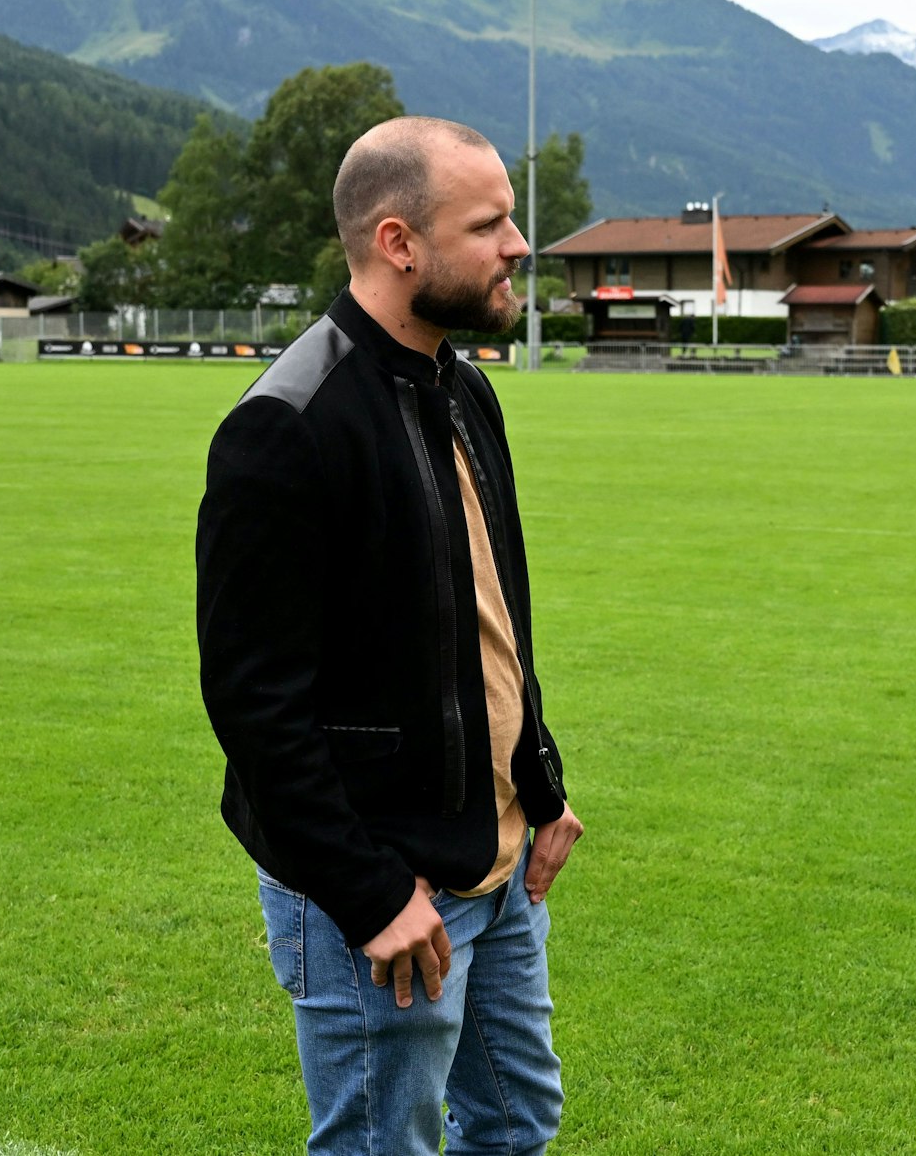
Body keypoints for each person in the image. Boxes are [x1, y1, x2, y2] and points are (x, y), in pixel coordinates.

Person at [196, 116, 584, 1156]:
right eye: (490, 222)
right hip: (380, 889)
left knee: (514, 1120)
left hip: (493, 861)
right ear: (398, 241)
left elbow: (489, 619)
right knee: (382, 1144)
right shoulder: (287, 422)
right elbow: (253, 702)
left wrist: (537, 781)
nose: (518, 245)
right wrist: (368, 893)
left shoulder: (463, 388)